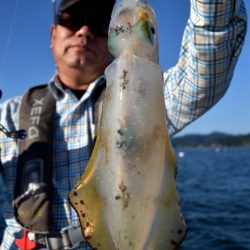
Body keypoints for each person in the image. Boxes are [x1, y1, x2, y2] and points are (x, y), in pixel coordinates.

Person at [0, 0, 247, 249]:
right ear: (53, 34)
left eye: (98, 24)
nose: (84, 31)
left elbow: (205, 72)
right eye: (72, 20)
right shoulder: (9, 115)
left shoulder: (150, 96)